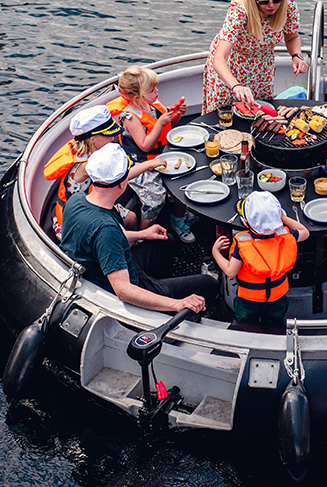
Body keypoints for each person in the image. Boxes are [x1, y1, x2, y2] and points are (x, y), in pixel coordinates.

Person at [60, 143, 217, 313]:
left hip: (106, 267)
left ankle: (158, 285)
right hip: (121, 287)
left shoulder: (77, 200)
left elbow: (97, 243)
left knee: (166, 242)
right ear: (122, 185)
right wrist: (177, 304)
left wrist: (143, 234)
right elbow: (124, 291)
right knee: (208, 284)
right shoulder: (106, 229)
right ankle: (162, 302)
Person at [201, 0, 309, 114]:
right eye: (264, 0)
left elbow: (292, 37)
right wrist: (236, 86)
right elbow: (219, 58)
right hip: (232, 66)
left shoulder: (288, 4)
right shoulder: (239, 10)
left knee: (260, 113)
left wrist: (296, 56)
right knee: (225, 116)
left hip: (262, 68)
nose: (271, 5)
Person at [106, 65, 195, 243]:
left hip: (162, 156)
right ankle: (143, 235)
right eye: (152, 89)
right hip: (140, 165)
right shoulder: (130, 118)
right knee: (155, 198)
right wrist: (161, 123)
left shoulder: (152, 103)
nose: (157, 91)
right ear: (137, 97)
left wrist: (176, 114)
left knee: (183, 181)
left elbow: (170, 124)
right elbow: (145, 146)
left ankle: (177, 221)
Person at [43, 105, 159, 240]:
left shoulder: (88, 152)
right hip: (81, 218)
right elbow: (123, 177)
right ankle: (129, 247)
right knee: (120, 236)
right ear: (92, 139)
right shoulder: (88, 166)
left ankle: (132, 245)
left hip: (95, 203)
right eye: (108, 135)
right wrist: (148, 164)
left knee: (131, 218)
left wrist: (149, 164)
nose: (112, 138)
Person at [211, 191, 309, 331]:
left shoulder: (242, 243)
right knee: (275, 326)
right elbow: (305, 232)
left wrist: (215, 252)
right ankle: (272, 346)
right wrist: (282, 218)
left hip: (248, 302)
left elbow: (230, 270)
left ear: (245, 222)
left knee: (247, 328)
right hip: (277, 299)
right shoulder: (285, 236)